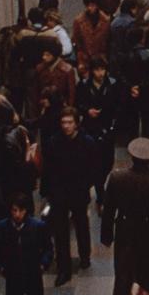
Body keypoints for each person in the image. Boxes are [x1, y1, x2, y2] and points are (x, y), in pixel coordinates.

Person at [100, 136, 149, 295]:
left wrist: (106, 236)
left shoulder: (117, 178)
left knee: (124, 273)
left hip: (125, 233)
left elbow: (109, 209)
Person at [40, 108, 97, 285]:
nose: (66, 126)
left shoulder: (87, 142)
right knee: (60, 230)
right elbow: (47, 169)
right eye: (63, 122)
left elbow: (93, 167)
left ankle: (85, 255)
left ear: (76, 124)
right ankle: (64, 267)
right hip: (59, 192)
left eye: (69, 122)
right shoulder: (53, 143)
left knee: (81, 224)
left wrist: (86, 184)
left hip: (78, 190)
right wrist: (48, 191)